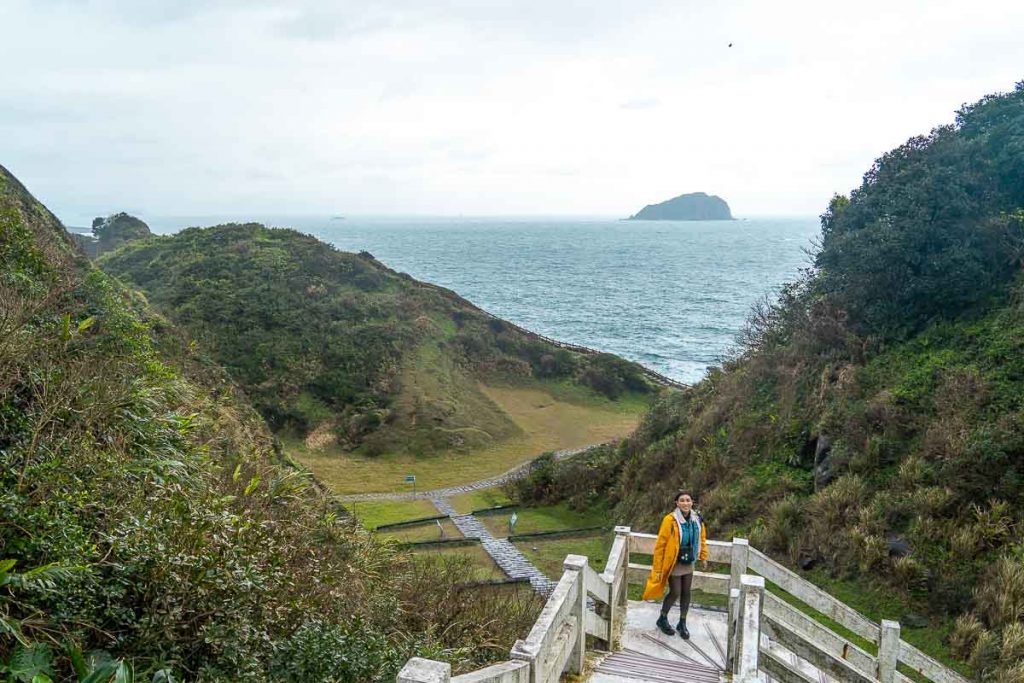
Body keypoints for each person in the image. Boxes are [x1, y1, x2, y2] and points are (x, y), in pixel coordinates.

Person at [642, 491, 708, 639]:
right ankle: (662, 618)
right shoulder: (670, 520)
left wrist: (703, 557)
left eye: (688, 500)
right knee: (675, 592)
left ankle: (682, 622)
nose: (685, 503)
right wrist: (658, 568)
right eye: (682, 500)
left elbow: (702, 538)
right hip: (674, 562)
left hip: (689, 560)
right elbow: (660, 545)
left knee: (687, 592)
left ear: (692, 503)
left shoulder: (697, 519)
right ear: (676, 503)